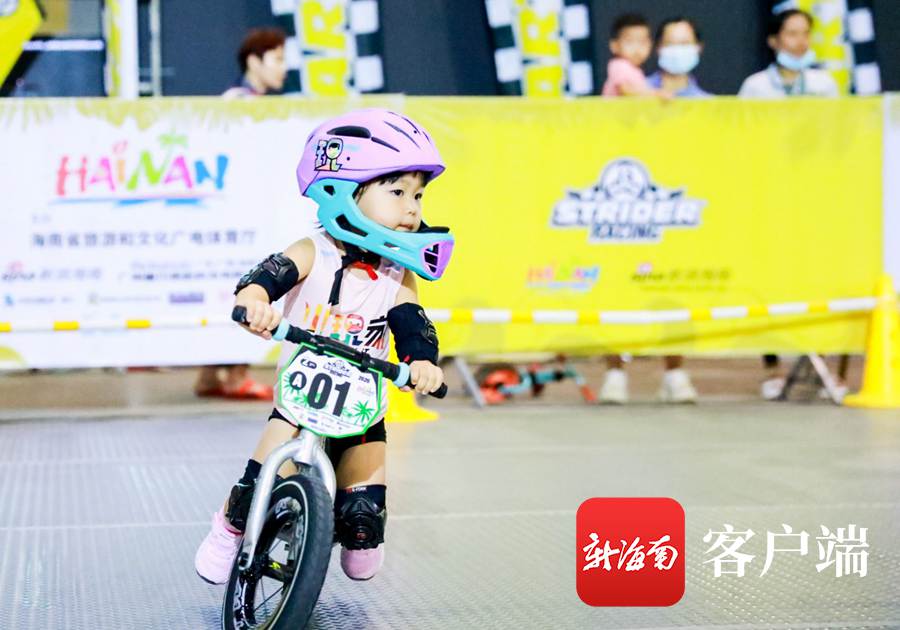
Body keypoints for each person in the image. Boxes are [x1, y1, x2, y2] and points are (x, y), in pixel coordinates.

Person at [194, 109, 451, 584]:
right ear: (344, 190)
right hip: (301, 397)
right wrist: (255, 302)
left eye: (418, 195)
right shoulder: (315, 250)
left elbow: (412, 324)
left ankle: (352, 525)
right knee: (258, 483)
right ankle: (230, 528)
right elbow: (267, 277)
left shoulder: (399, 273)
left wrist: (422, 362)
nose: (412, 208)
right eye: (397, 192)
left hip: (362, 405)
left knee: (362, 525)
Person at [598, 16, 698, 404]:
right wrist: (659, 99)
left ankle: (674, 373)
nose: (638, 48)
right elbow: (632, 94)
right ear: (616, 45)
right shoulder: (630, 77)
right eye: (631, 41)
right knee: (613, 287)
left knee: (671, 286)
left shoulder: (690, 98)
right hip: (620, 211)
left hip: (664, 211)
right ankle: (615, 373)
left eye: (644, 42)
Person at [194, 29, 288, 400]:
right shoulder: (238, 103)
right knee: (247, 285)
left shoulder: (255, 103)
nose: (283, 68)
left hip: (240, 211)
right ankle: (234, 375)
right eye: (277, 59)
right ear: (254, 61)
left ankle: (210, 375)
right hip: (237, 213)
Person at [738, 9, 838, 98]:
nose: (801, 41)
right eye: (792, 34)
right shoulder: (755, 85)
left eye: (806, 33)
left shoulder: (824, 83)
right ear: (773, 41)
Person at [602, 13, 667, 98]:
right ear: (614, 46)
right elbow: (626, 90)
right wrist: (655, 94)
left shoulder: (636, 71)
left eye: (642, 42)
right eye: (630, 41)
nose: (637, 48)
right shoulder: (619, 65)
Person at [647, 16, 710, 97]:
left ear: (699, 48)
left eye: (684, 43)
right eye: (669, 43)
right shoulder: (636, 91)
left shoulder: (705, 101)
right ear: (658, 48)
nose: (677, 50)